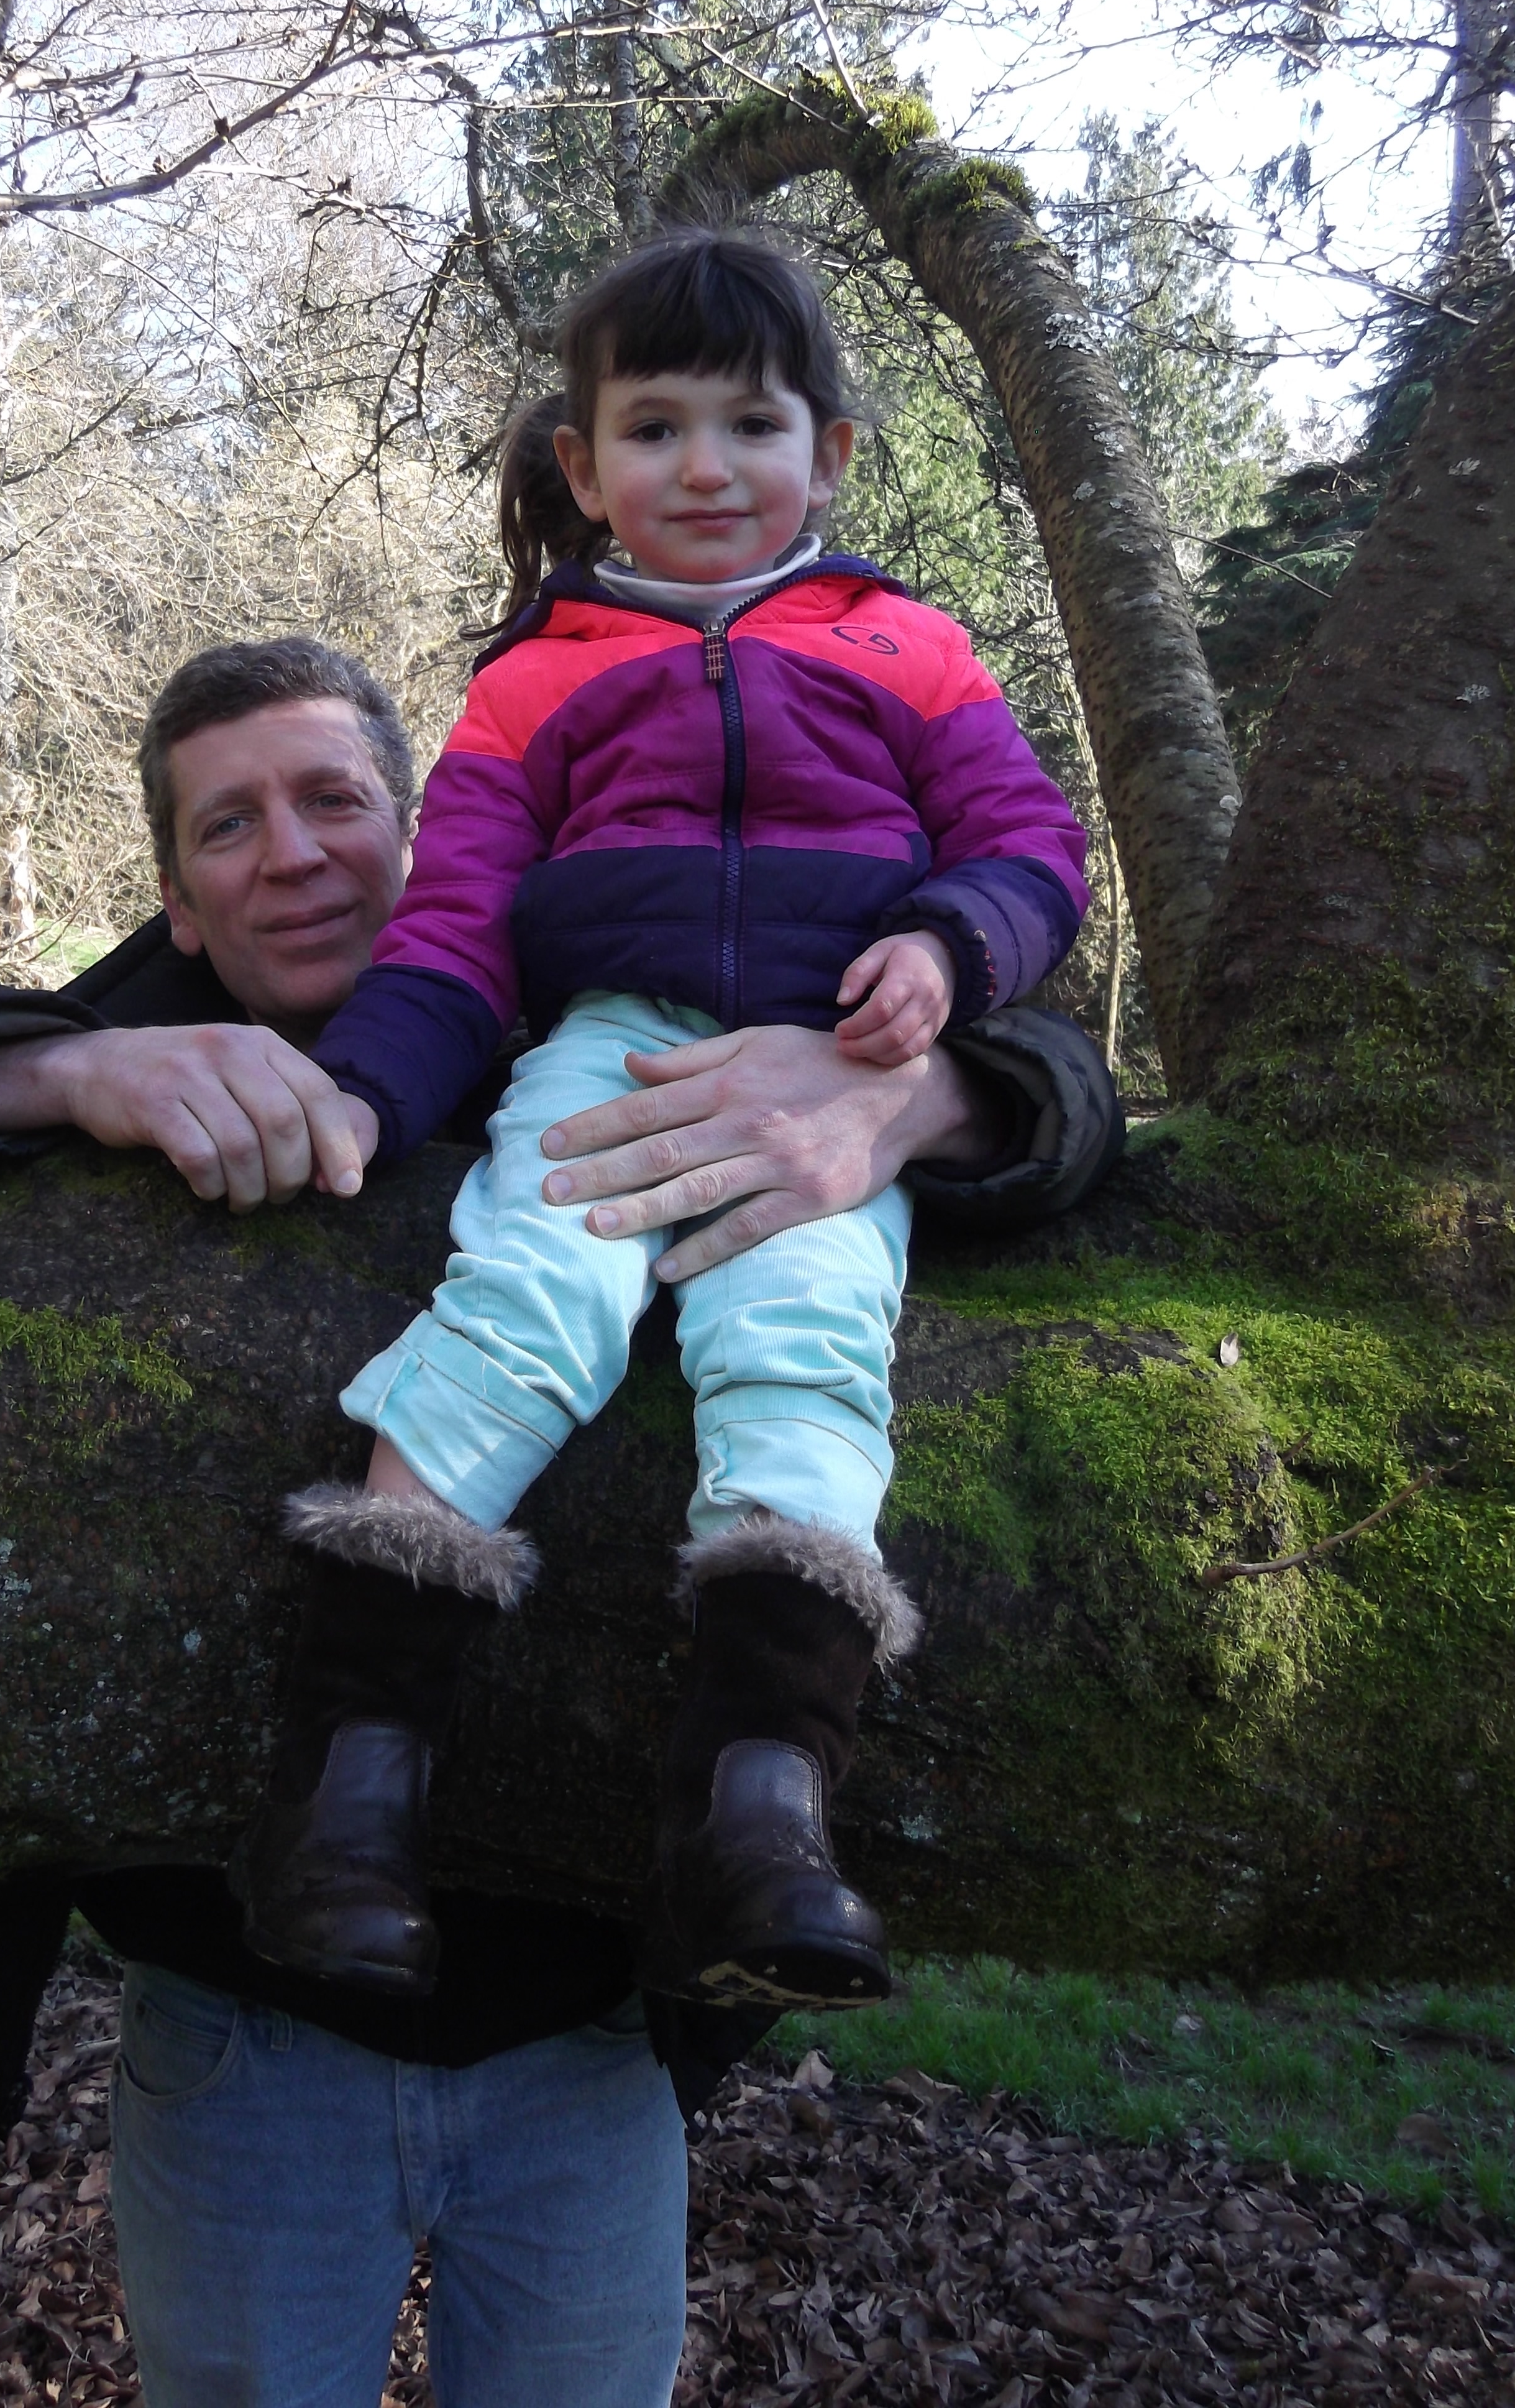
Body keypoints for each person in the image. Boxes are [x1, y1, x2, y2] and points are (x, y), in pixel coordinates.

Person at [0, 635, 1119, 2407]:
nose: (290, 852)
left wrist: (919, 1092)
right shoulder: (139, 1039)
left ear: (430, 837)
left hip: (584, 2038)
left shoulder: (620, 1030)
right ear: (181, 900)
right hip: (240, 2034)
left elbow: (1078, 1101)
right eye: (228, 826)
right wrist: (52, 1076)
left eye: (335, 800)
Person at [229, 231, 1091, 2041]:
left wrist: (946, 952)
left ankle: (760, 1805)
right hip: (614, 1050)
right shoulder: (539, 678)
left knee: (804, 1353)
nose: (706, 468)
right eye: (655, 425)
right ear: (583, 463)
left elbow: (1027, 849)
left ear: (831, 455)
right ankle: (353, 1793)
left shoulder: (909, 648)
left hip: (830, 1068)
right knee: (523, 1297)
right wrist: (365, 1092)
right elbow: (457, 920)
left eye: (753, 424)